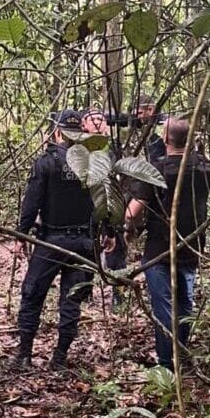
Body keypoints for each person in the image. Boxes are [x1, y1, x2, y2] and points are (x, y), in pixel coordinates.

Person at [124, 117, 210, 370]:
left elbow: (133, 211)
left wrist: (127, 230)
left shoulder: (157, 170)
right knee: (184, 301)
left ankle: (166, 362)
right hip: (192, 245)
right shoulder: (204, 167)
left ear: (165, 139)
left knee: (163, 304)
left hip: (159, 250)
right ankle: (181, 354)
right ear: (193, 139)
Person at [12, 110, 98, 370]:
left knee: (32, 294)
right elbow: (102, 203)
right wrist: (107, 233)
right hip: (82, 242)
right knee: (70, 301)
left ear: (57, 132)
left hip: (52, 241)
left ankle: (25, 355)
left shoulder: (47, 162)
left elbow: (32, 202)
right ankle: (59, 358)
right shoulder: (92, 162)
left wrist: (21, 234)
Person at [81, 108, 127, 309]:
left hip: (113, 206)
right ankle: (86, 294)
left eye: (101, 119)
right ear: (84, 124)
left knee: (118, 253)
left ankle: (119, 296)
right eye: (93, 119)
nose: (98, 123)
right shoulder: (80, 149)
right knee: (86, 252)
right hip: (87, 208)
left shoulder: (114, 149)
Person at [134, 94, 166, 162]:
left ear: (150, 109)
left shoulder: (164, 123)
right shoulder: (143, 123)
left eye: (140, 113)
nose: (138, 117)